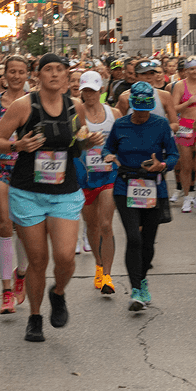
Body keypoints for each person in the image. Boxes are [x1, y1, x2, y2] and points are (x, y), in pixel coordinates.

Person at [0, 53, 103, 341]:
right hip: (28, 192)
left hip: (64, 191)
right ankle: (35, 317)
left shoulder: (74, 106)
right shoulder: (23, 106)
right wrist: (18, 145)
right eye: (47, 69)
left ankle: (58, 292)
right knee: (38, 260)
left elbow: (76, 145)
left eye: (59, 70)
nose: (53, 74)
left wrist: (88, 142)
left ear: (66, 77)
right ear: (38, 75)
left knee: (64, 257)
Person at [102, 81, 179, 310]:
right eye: (139, 108)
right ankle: (136, 289)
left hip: (153, 186)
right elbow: (108, 148)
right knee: (134, 238)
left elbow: (174, 155)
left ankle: (143, 279)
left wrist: (162, 165)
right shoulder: (121, 125)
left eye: (147, 108)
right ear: (132, 105)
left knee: (147, 242)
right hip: (125, 185)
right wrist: (108, 157)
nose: (143, 113)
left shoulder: (161, 124)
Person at [0, 55, 30, 313]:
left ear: (27, 75)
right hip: (0, 165)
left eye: (20, 71)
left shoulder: (33, 101)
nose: (15, 76)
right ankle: (5, 292)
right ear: (5, 75)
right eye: (11, 71)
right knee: (4, 222)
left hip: (25, 168)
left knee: (23, 226)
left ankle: (21, 273)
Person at [75, 70, 118, 297]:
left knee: (106, 224)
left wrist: (115, 154)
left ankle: (108, 276)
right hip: (84, 176)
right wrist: (84, 142)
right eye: (85, 91)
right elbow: (70, 145)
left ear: (101, 90)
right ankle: (99, 265)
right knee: (91, 226)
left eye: (93, 90)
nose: (89, 95)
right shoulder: (75, 114)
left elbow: (122, 140)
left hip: (109, 175)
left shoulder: (114, 113)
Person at [171, 57, 196, 212]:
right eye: (191, 69)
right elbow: (173, 108)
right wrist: (188, 103)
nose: (194, 71)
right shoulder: (180, 85)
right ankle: (187, 197)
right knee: (186, 164)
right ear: (186, 70)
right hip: (185, 126)